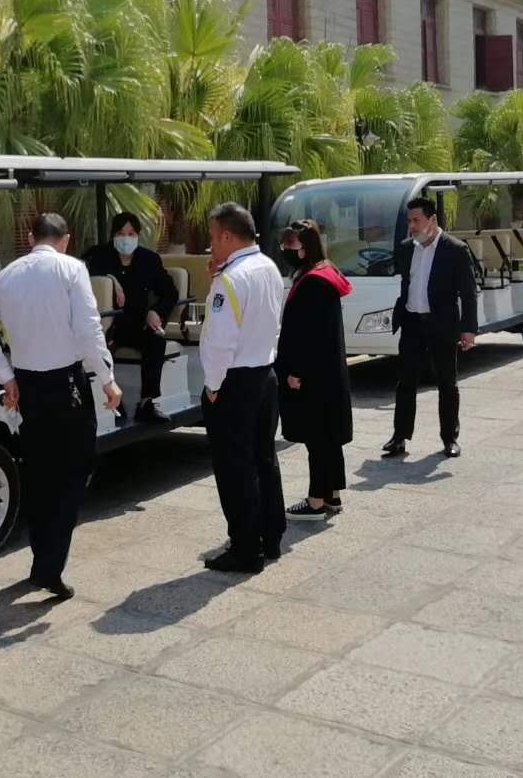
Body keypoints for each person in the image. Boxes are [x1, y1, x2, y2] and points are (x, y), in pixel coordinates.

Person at [0, 213, 124, 600]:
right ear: (67, 239)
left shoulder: (5, 278)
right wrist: (107, 379)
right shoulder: (72, 270)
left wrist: (7, 378)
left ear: (29, 237)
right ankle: (50, 567)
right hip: (68, 384)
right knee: (73, 474)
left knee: (39, 475)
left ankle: (42, 560)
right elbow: (89, 330)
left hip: (28, 387)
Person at [198, 202, 286, 573]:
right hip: (264, 373)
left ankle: (246, 548)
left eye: (214, 238)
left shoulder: (231, 278)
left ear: (228, 236)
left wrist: (213, 386)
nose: (211, 246)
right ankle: (271, 536)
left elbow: (220, 340)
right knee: (264, 459)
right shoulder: (267, 266)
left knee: (235, 466)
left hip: (234, 381)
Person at [383, 197, 477, 460]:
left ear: (432, 220)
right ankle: (399, 437)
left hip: (441, 324)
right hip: (412, 322)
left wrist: (468, 329)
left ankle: (450, 438)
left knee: (447, 383)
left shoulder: (455, 249)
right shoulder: (406, 248)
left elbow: (468, 293)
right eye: (409, 221)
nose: (412, 226)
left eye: (417, 220)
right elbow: (407, 283)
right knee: (405, 382)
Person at [275, 220, 354, 519]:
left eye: (290, 246)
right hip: (327, 371)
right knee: (328, 436)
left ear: (304, 248)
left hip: (313, 374)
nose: (285, 251)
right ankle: (332, 494)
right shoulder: (324, 272)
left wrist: (295, 371)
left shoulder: (313, 283)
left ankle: (316, 500)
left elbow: (308, 336)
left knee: (317, 438)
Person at [83, 211, 179, 423]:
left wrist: (157, 312)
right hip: (109, 326)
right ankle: (113, 405)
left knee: (155, 341)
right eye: (120, 232)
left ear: (138, 235)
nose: (126, 238)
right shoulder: (98, 255)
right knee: (100, 349)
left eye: (131, 233)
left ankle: (146, 402)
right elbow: (84, 276)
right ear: (112, 235)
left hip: (138, 323)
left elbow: (170, 292)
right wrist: (110, 280)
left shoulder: (149, 260)